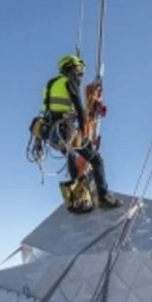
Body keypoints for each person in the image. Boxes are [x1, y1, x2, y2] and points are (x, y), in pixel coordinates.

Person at [42, 54, 121, 213]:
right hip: (67, 130)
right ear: (71, 68)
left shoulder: (50, 84)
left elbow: (48, 109)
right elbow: (79, 107)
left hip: (53, 133)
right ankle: (103, 197)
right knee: (96, 160)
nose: (80, 75)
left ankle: (78, 201)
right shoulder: (68, 82)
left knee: (71, 158)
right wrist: (85, 126)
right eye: (79, 71)